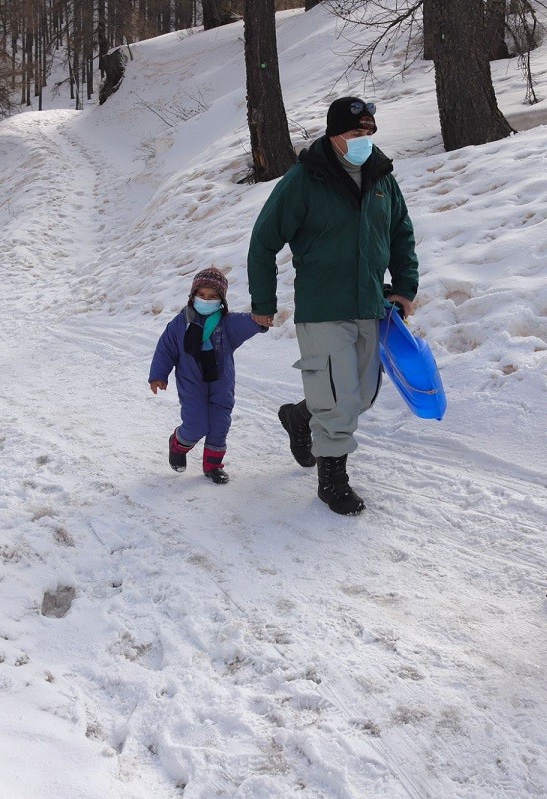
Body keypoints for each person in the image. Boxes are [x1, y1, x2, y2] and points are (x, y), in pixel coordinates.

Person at [247, 96, 419, 516]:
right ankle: (332, 480)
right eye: (355, 133)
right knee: (340, 400)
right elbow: (263, 241)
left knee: (359, 395)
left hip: (369, 303)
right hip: (322, 305)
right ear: (333, 134)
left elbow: (401, 233)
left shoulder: (381, 177)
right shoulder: (306, 179)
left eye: (368, 133)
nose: (364, 140)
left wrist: (404, 288)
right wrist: (264, 301)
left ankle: (301, 416)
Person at [149, 267, 267, 484]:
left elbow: (248, 322)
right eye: (201, 295)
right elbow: (166, 349)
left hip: (221, 383)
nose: (206, 300)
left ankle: (213, 466)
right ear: (193, 296)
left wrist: (260, 319)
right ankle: (178, 443)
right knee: (196, 423)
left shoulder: (227, 323)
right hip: (191, 382)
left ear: (221, 300)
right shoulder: (180, 323)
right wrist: (159, 374)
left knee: (220, 424)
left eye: (212, 297)